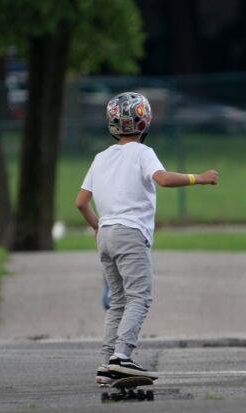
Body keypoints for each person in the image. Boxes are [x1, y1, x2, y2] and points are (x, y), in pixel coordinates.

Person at [76, 91, 219, 385]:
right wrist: (199, 178)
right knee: (139, 298)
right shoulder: (143, 152)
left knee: (118, 301)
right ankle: (122, 357)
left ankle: (106, 363)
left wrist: (96, 227)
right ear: (145, 122)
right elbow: (163, 179)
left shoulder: (100, 157)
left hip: (106, 235)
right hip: (130, 233)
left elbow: (81, 201)